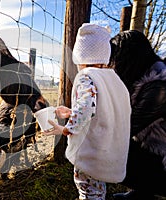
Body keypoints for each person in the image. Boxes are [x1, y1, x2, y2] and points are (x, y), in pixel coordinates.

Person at [43, 23, 131, 200]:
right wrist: (70, 112)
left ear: (80, 56)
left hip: (91, 152)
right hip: (107, 150)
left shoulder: (86, 76)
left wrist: (66, 129)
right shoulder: (114, 78)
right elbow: (100, 109)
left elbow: (86, 107)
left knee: (87, 189)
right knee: (97, 189)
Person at [109, 30, 166, 199]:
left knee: (112, 149)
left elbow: (124, 128)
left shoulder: (158, 87)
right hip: (158, 152)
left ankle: (147, 188)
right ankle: (143, 193)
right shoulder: (144, 78)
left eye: (115, 59)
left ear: (128, 58)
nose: (112, 65)